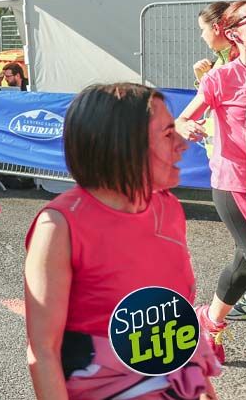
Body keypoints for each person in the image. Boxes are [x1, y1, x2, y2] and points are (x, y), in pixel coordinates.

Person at [25, 83, 219, 398]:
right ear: (123, 146)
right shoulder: (60, 226)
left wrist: (201, 382)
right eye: (168, 134)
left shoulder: (168, 207)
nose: (182, 145)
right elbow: (43, 351)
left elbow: (169, 316)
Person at [175, 0, 246, 355]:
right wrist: (186, 125)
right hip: (236, 187)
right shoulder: (222, 77)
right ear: (232, 33)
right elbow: (183, 118)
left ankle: (209, 323)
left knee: (243, 267)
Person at [193, 2, 246, 322]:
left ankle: (213, 319)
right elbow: (203, 107)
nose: (202, 36)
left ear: (220, 28)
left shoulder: (242, 59)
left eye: (203, 29)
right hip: (233, 176)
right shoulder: (223, 67)